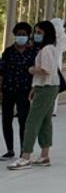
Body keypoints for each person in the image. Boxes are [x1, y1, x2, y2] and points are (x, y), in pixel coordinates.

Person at [7, 19, 62, 169]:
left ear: (47, 34)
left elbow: (46, 70)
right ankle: (44, 155)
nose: (36, 35)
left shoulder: (46, 50)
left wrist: (31, 70)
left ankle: (25, 156)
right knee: (45, 121)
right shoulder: (49, 48)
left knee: (32, 121)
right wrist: (34, 87)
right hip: (47, 86)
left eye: (39, 33)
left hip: (46, 87)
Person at [1, 22, 36, 160]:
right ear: (15, 35)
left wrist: (34, 89)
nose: (21, 37)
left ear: (28, 36)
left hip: (25, 90)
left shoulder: (32, 52)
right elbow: (1, 72)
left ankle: (23, 148)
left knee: (24, 120)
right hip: (8, 89)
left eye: (24, 34)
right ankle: (10, 149)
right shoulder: (8, 52)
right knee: (6, 119)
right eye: (19, 34)